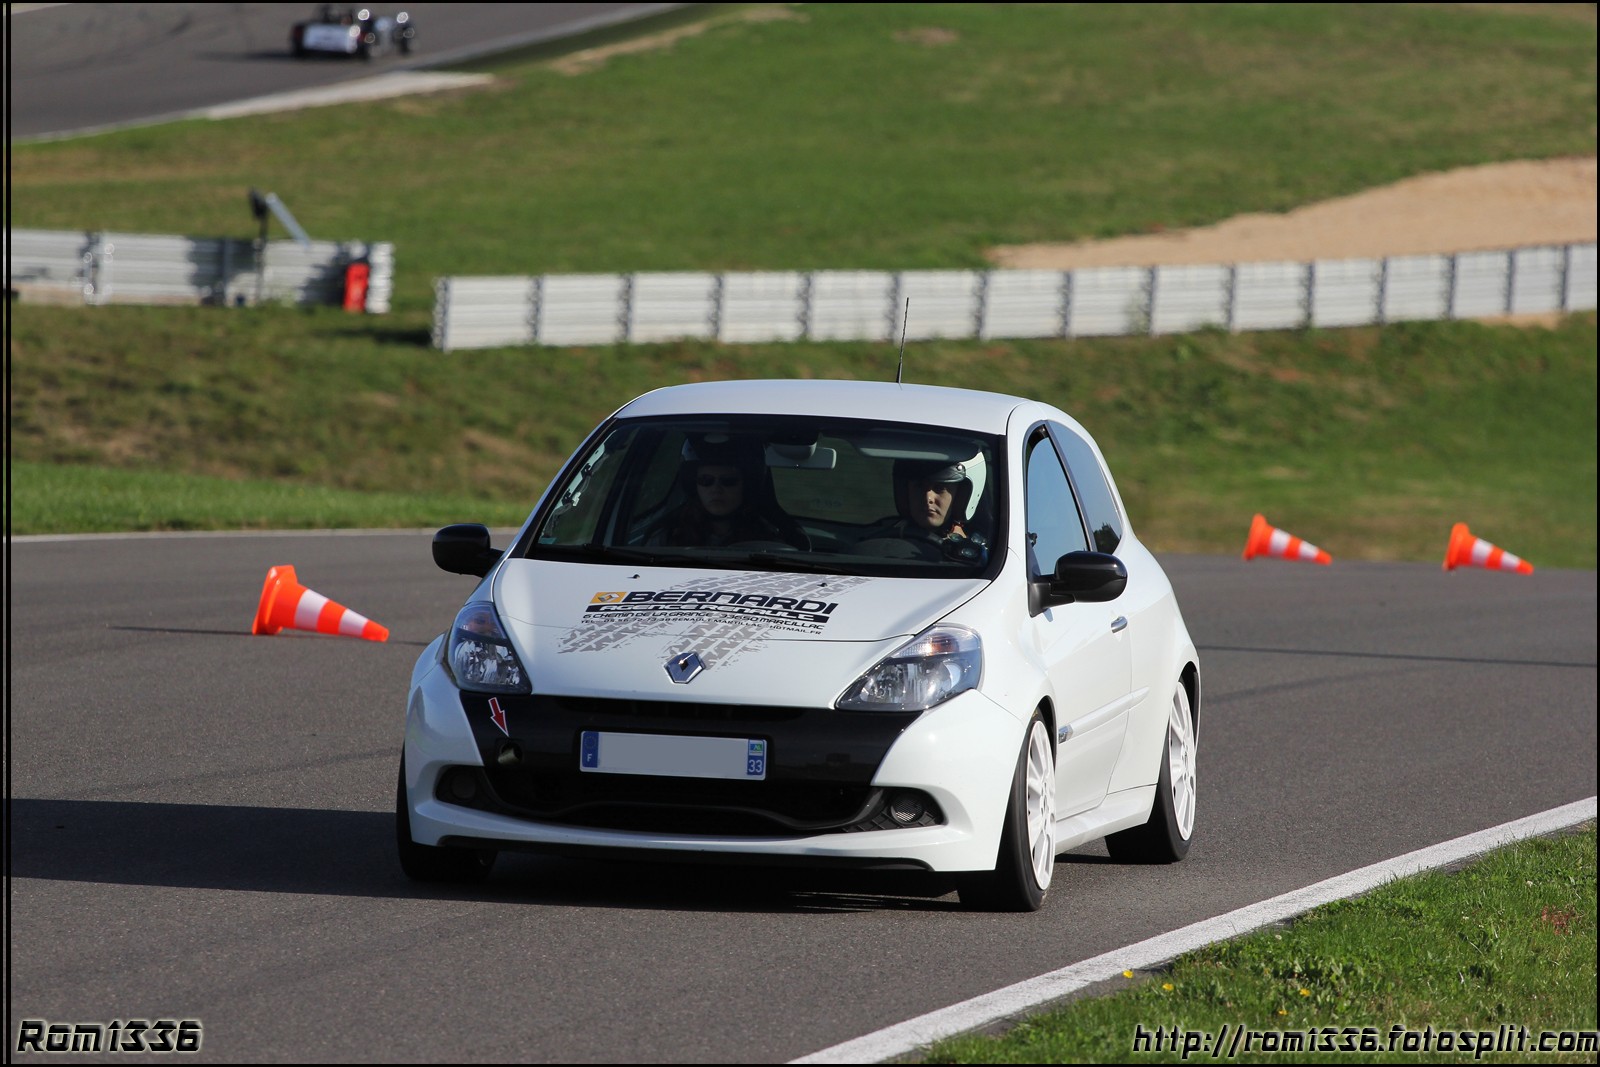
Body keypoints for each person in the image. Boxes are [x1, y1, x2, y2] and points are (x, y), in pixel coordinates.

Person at [653, 441, 801, 549]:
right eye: (706, 480)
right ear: (694, 485)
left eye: (728, 481)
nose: (716, 489)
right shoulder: (669, 536)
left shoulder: (771, 539)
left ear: (746, 486)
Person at [860, 457, 989, 562]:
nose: (928, 498)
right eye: (919, 486)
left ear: (960, 496)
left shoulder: (988, 555)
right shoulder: (879, 538)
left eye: (940, 488)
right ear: (905, 492)